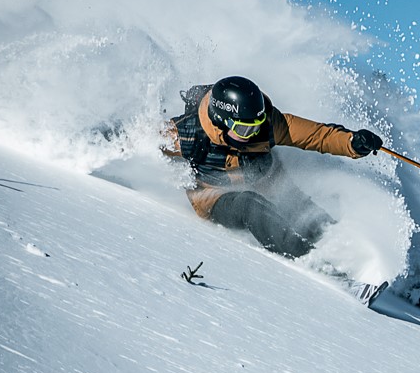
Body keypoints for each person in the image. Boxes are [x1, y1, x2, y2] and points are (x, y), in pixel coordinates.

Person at [162, 75, 383, 258]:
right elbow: (141, 142)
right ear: (221, 120)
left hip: (265, 177)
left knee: (303, 209)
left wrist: (353, 143)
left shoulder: (269, 124)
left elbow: (317, 135)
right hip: (213, 194)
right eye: (244, 130)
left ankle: (346, 252)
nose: (252, 135)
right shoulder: (186, 134)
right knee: (250, 205)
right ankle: (307, 258)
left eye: (256, 127)